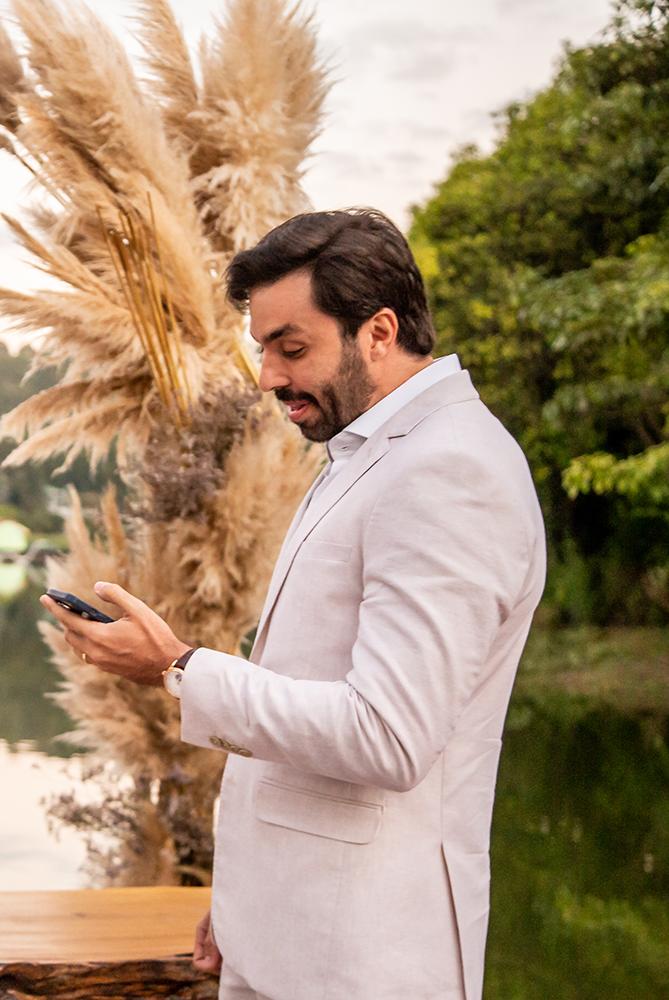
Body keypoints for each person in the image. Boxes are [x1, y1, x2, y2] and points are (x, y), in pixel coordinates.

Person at [43, 209, 546, 1000]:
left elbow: (386, 735)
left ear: (378, 331)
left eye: (293, 348)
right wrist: (245, 900)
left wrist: (178, 669)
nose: (270, 376)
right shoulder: (367, 453)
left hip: (362, 960)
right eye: (264, 349)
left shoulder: (451, 470)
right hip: (292, 934)